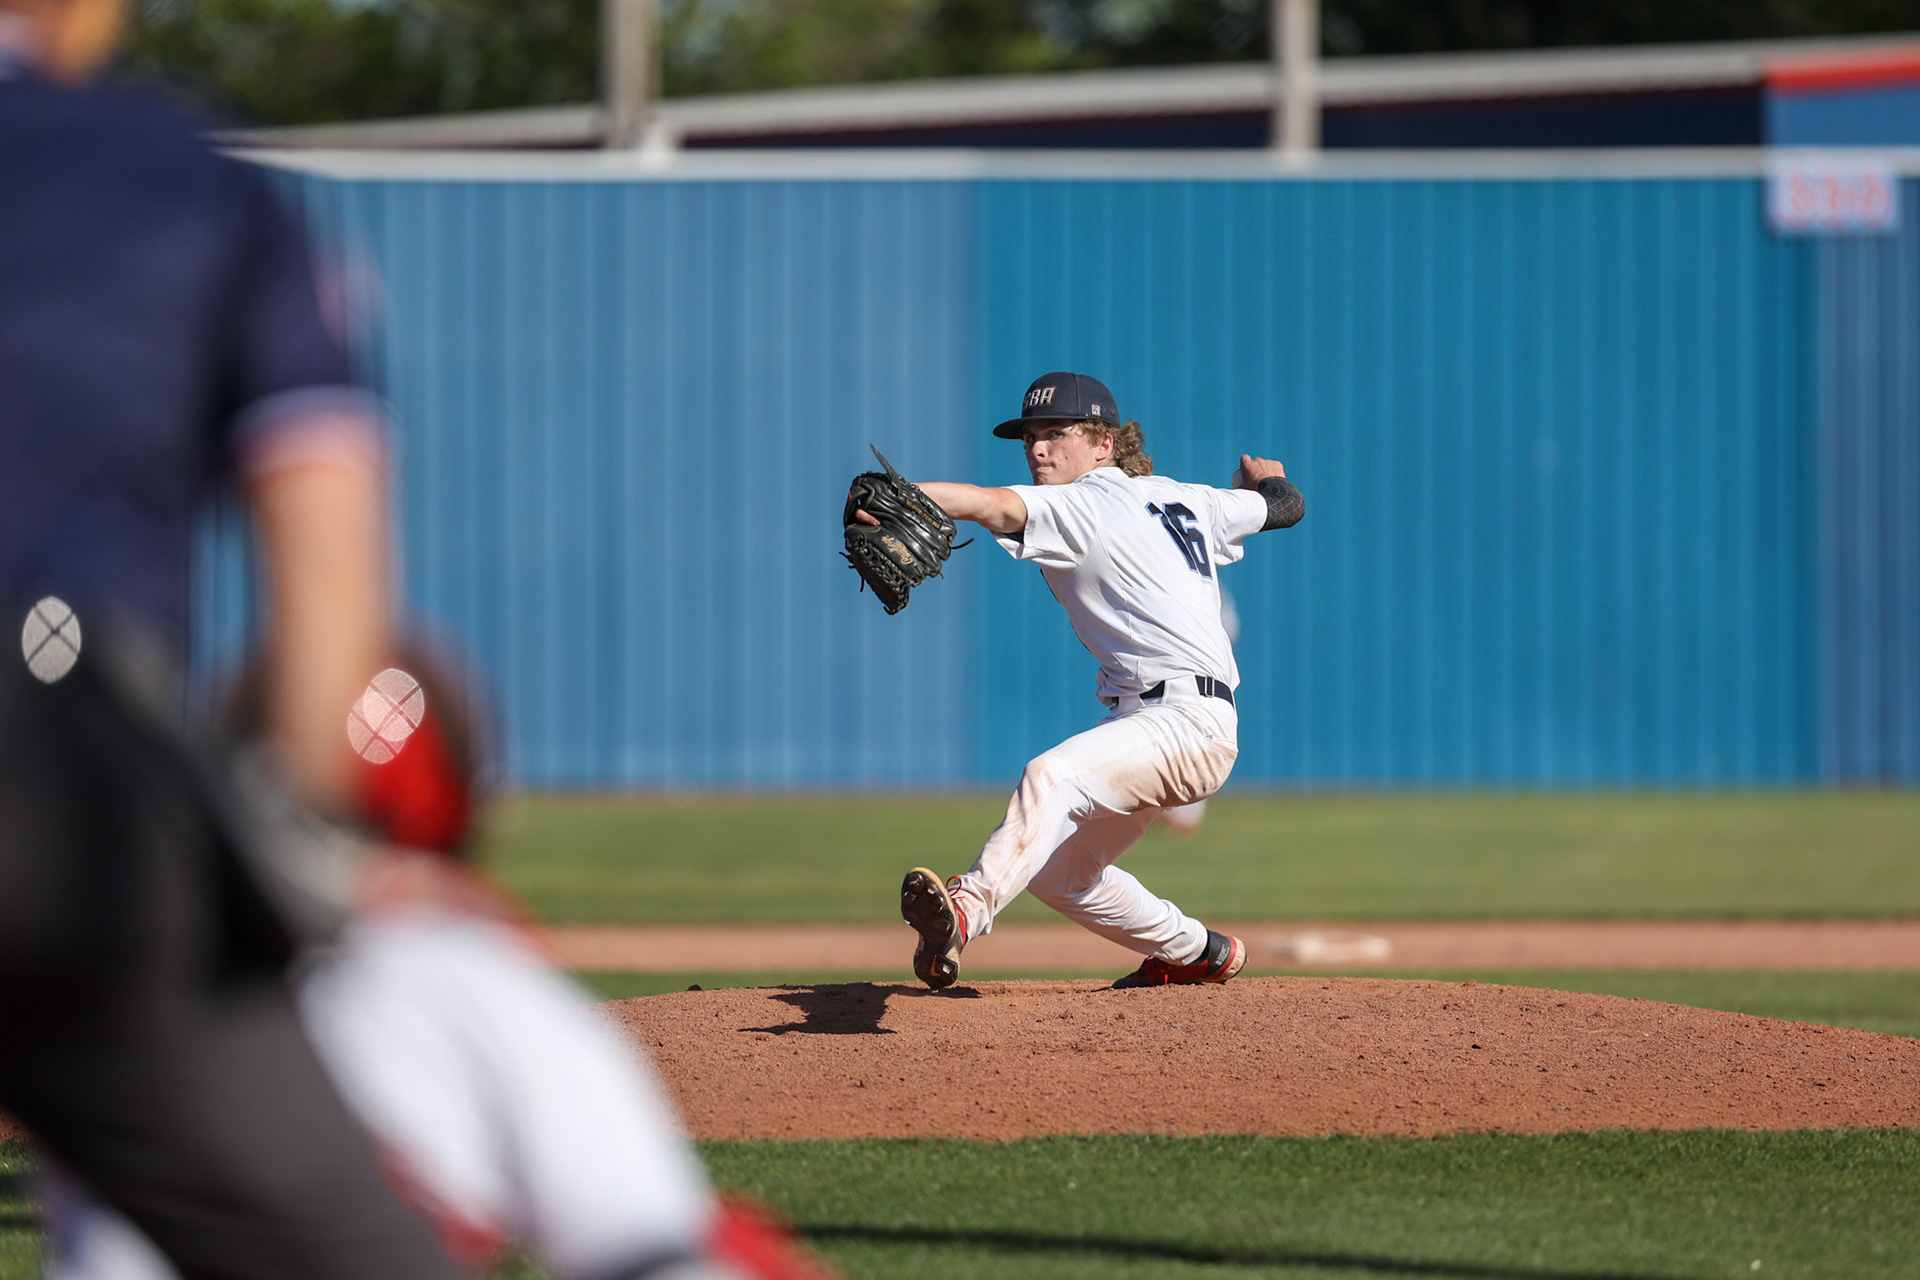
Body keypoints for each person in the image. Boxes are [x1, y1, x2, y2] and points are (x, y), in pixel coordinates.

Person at [882, 372, 1303, 990]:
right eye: (1030, 437)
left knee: (1051, 775)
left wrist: (896, 493)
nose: (1038, 450)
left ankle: (966, 910)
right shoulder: (1186, 497)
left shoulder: (1081, 502)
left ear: (1103, 443)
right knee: (1059, 874)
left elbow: (987, 502)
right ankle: (1199, 950)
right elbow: (1286, 509)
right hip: (1165, 724)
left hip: (1181, 725)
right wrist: (1267, 481)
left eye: (1056, 434)